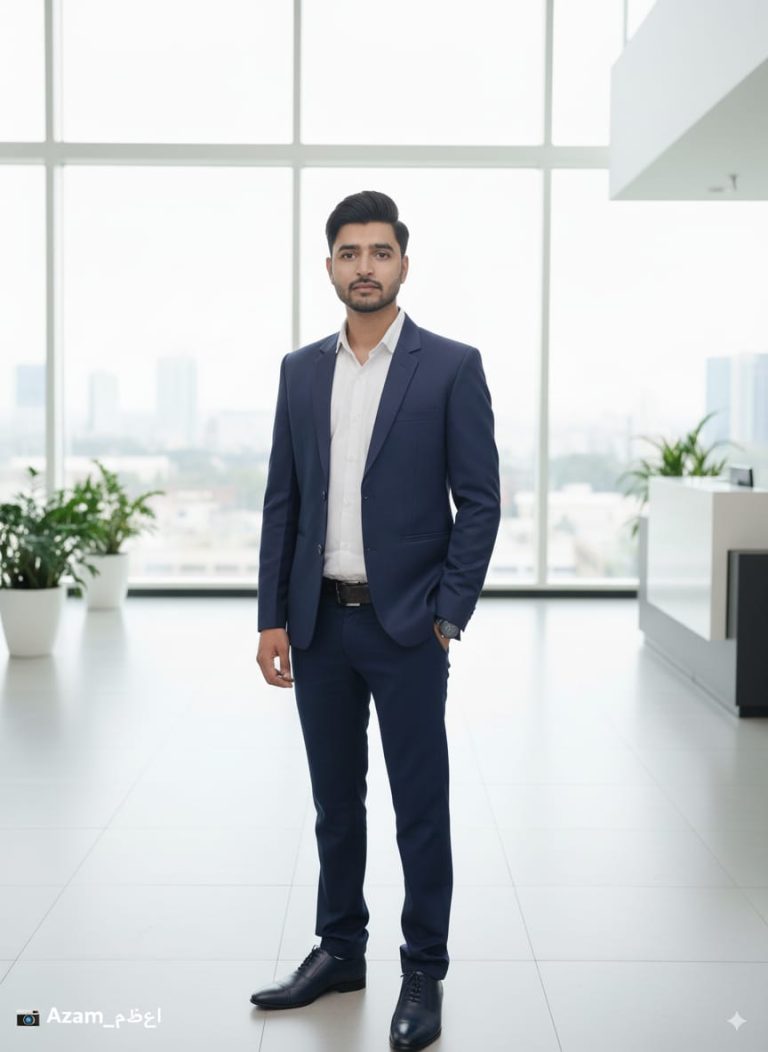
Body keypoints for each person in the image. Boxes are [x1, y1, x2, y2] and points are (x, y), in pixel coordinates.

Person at [251, 189, 500, 1051]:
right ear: (330, 266)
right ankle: (340, 949)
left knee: (419, 806)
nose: (364, 266)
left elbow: (480, 502)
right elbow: (282, 501)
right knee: (334, 803)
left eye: (379, 252)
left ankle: (422, 972)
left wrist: (448, 613)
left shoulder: (450, 366)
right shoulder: (299, 369)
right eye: (349, 253)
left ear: (403, 262)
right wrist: (271, 617)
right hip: (317, 623)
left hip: (407, 629)